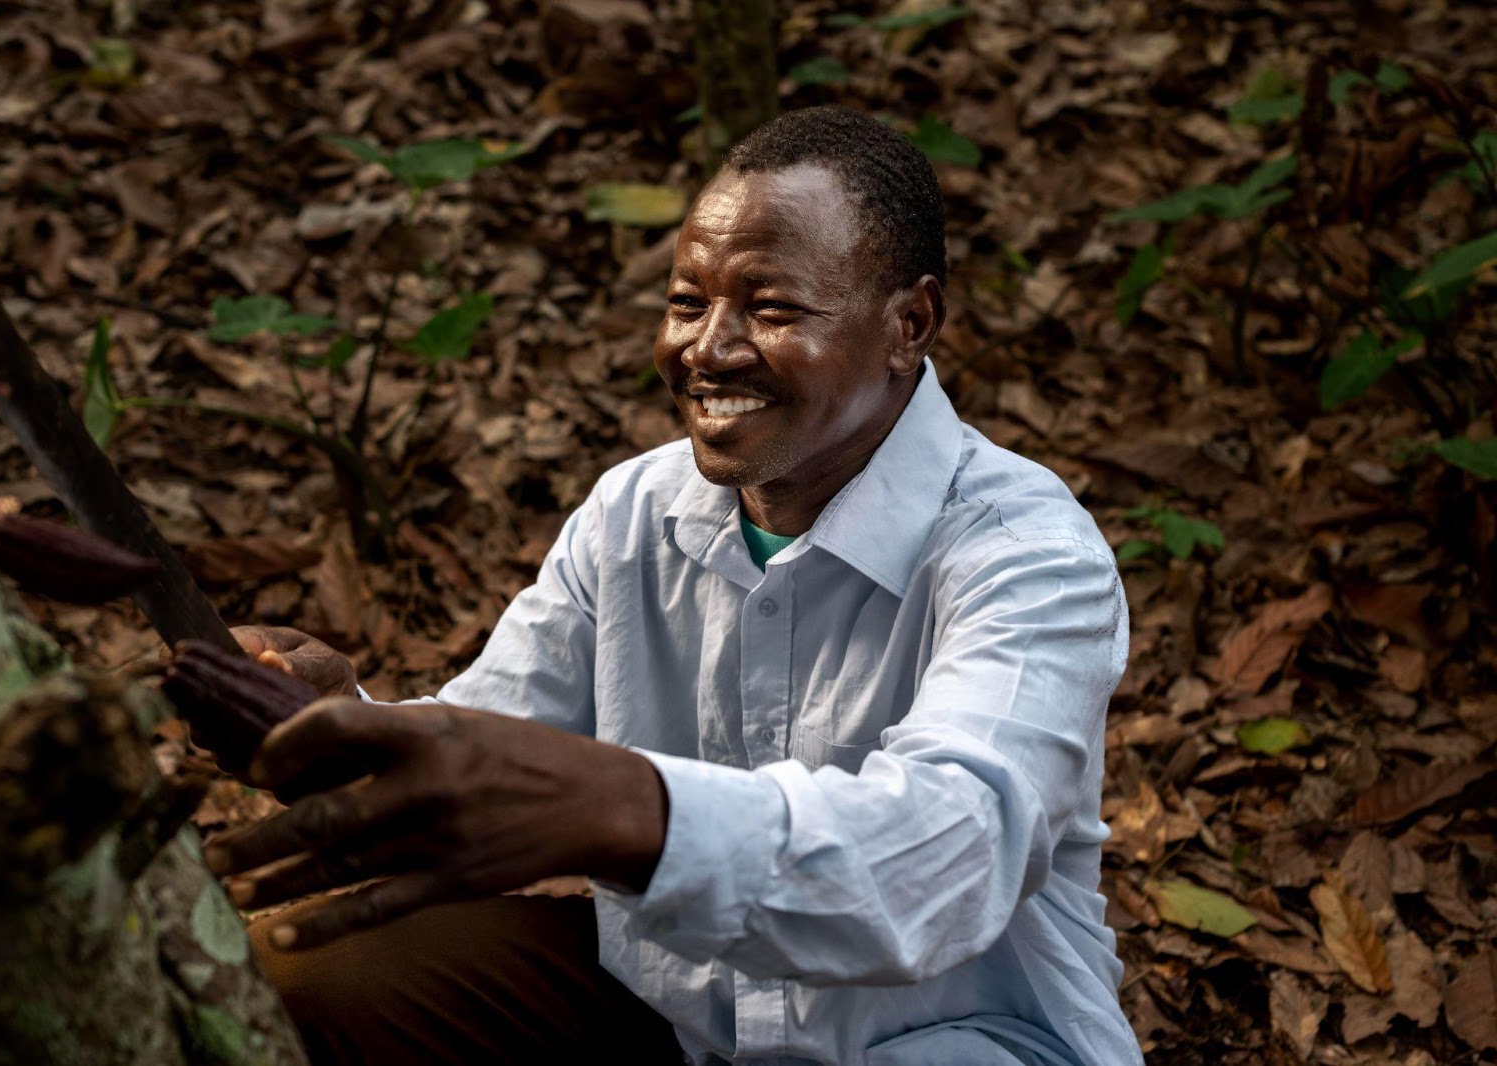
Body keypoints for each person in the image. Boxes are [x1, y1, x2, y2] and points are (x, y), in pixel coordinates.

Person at [209, 105, 1145, 1066]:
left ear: (909, 324)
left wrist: (630, 809)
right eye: (688, 302)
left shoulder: (1026, 555)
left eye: (772, 310)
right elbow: (492, 751)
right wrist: (339, 726)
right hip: (684, 1025)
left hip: (951, 1040)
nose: (707, 349)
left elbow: (941, 859)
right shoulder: (635, 512)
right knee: (302, 980)